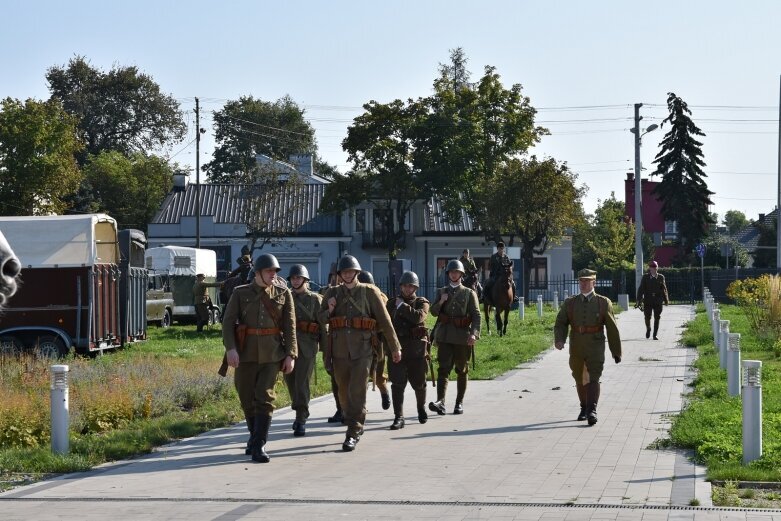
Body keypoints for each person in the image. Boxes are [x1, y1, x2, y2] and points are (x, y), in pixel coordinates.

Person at [320, 255, 402, 452]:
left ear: (357, 273)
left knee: (357, 390)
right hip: (339, 351)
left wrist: (395, 347)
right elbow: (320, 319)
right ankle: (353, 419)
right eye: (344, 272)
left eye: (351, 272)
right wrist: (329, 310)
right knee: (343, 393)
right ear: (340, 274)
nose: (347, 275)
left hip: (363, 350)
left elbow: (384, 320)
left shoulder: (369, 292)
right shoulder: (332, 292)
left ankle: (353, 431)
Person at [222, 253, 297, 463]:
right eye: (269, 271)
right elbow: (228, 324)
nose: (273, 275)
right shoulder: (240, 293)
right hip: (245, 353)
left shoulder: (284, 294)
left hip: (272, 354)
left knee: (264, 398)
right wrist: (231, 349)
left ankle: (258, 445)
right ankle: (254, 438)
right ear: (258, 273)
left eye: (275, 271)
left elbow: (290, 327)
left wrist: (291, 354)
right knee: (247, 398)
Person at [554, 268, 621, 426]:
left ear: (594, 282)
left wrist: (616, 352)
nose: (583, 284)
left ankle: (592, 410)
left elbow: (612, 328)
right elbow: (561, 322)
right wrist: (559, 339)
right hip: (576, 344)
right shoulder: (570, 302)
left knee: (594, 377)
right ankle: (583, 407)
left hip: (595, 344)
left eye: (587, 281)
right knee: (578, 377)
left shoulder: (603, 302)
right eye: (581, 281)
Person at [428, 259, 481, 416]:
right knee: (443, 369)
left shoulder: (469, 293)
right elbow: (433, 312)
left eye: (456, 272)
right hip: (444, 335)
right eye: (451, 272)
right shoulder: (441, 292)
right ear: (448, 274)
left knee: (461, 370)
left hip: (462, 336)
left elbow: (476, 315)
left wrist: (474, 334)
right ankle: (440, 402)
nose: (453, 274)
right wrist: (441, 302)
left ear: (461, 274)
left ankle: (459, 402)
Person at [285, 264, 327, 437]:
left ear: (305, 280)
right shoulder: (285, 297)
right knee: (290, 381)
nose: (295, 281)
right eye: (293, 278)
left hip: (308, 346)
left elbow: (323, 325)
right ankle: (299, 408)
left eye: (298, 278)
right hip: (287, 346)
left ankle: (301, 417)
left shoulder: (316, 299)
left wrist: (326, 351)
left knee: (302, 383)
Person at [386, 270, 431, 429]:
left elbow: (418, 317)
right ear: (401, 287)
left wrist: (402, 306)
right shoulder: (391, 303)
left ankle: (421, 408)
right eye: (405, 286)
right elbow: (385, 323)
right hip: (396, 349)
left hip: (416, 351)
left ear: (415, 288)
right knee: (397, 384)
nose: (407, 289)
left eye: (411, 286)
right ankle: (399, 417)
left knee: (419, 383)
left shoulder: (422, 302)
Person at [357, 270, 391, 412]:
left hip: (377, 340)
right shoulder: (354, 295)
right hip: (358, 340)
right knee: (360, 374)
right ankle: (360, 407)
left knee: (377, 375)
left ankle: (384, 393)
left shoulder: (380, 296)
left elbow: (384, 319)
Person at [636, 260, 670, 340]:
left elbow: (663, 289)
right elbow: (641, 289)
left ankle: (655, 335)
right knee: (647, 316)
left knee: (657, 317)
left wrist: (666, 300)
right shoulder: (645, 277)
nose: (653, 269)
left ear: (657, 268)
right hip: (648, 299)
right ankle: (648, 328)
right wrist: (638, 299)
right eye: (652, 267)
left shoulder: (661, 277)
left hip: (658, 299)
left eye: (655, 267)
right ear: (649, 268)